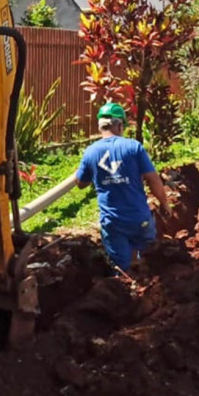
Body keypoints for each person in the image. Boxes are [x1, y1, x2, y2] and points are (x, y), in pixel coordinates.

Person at [76, 102, 173, 271]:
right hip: (139, 219)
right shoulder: (134, 147)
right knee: (150, 263)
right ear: (120, 125)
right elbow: (153, 179)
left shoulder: (90, 152)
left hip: (113, 223)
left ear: (100, 126)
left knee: (122, 271)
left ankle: (130, 288)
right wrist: (164, 204)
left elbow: (81, 183)